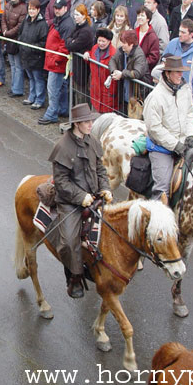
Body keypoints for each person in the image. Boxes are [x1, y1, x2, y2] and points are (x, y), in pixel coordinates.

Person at [48, 103, 112, 298]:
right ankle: (75, 277)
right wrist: (80, 197)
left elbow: (100, 169)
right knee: (68, 242)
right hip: (70, 202)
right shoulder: (62, 147)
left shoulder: (93, 141)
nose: (91, 124)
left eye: (91, 120)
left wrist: (106, 188)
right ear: (76, 124)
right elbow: (61, 182)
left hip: (94, 195)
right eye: (87, 121)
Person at [142, 55, 193, 200]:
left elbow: (190, 114)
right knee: (162, 190)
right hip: (161, 148)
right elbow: (154, 128)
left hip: (184, 143)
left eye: (181, 72)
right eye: (177, 72)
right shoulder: (155, 96)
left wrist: (191, 135)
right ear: (167, 73)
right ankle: (158, 218)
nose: (181, 75)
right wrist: (175, 145)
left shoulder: (185, 90)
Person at [39, 0, 74, 125]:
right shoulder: (59, 21)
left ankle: (52, 113)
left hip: (57, 63)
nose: (57, 11)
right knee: (62, 88)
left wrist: (56, 60)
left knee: (53, 88)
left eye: (59, 8)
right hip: (54, 60)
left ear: (65, 8)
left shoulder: (67, 24)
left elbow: (64, 46)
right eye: (55, 8)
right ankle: (62, 109)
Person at [163, 18, 193, 96]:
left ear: (191, 34)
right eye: (179, 31)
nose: (180, 34)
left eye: (183, 32)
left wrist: (191, 90)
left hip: (186, 94)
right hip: (168, 90)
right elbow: (163, 62)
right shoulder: (172, 43)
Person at [108, 29, 149, 114]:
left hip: (136, 94)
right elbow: (112, 60)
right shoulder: (121, 50)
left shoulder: (139, 55)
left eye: (124, 42)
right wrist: (114, 70)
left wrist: (122, 74)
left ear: (131, 44)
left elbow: (137, 73)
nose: (122, 45)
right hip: (124, 92)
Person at [18, 0, 48, 109]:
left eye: (33, 9)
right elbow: (20, 33)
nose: (31, 11)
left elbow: (43, 42)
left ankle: (39, 99)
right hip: (26, 55)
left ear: (38, 10)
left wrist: (32, 48)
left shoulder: (42, 25)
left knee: (38, 78)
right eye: (30, 9)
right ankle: (32, 96)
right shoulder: (26, 21)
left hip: (36, 57)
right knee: (31, 78)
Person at [66, 4, 95, 104]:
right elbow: (68, 40)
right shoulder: (77, 27)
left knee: (81, 94)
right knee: (76, 92)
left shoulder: (86, 31)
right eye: (74, 14)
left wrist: (71, 42)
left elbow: (72, 46)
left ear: (84, 16)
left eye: (77, 15)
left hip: (82, 68)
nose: (75, 17)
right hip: (76, 65)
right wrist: (71, 41)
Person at [2, 0, 27, 97]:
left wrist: (8, 33)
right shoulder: (8, 5)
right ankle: (13, 87)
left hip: (16, 40)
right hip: (8, 39)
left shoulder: (23, 8)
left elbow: (19, 26)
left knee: (17, 66)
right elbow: (3, 19)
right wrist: (4, 31)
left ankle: (18, 89)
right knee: (12, 64)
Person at [84, 28, 117, 113]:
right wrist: (87, 54)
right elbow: (90, 62)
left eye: (103, 41)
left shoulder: (113, 53)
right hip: (95, 87)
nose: (100, 43)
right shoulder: (94, 48)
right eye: (99, 40)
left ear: (109, 41)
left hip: (107, 90)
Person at [134, 6, 160, 73]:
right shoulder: (133, 33)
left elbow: (154, 57)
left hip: (145, 73)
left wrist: (141, 64)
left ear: (148, 19)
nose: (139, 17)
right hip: (132, 69)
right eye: (138, 15)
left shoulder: (153, 37)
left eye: (142, 15)